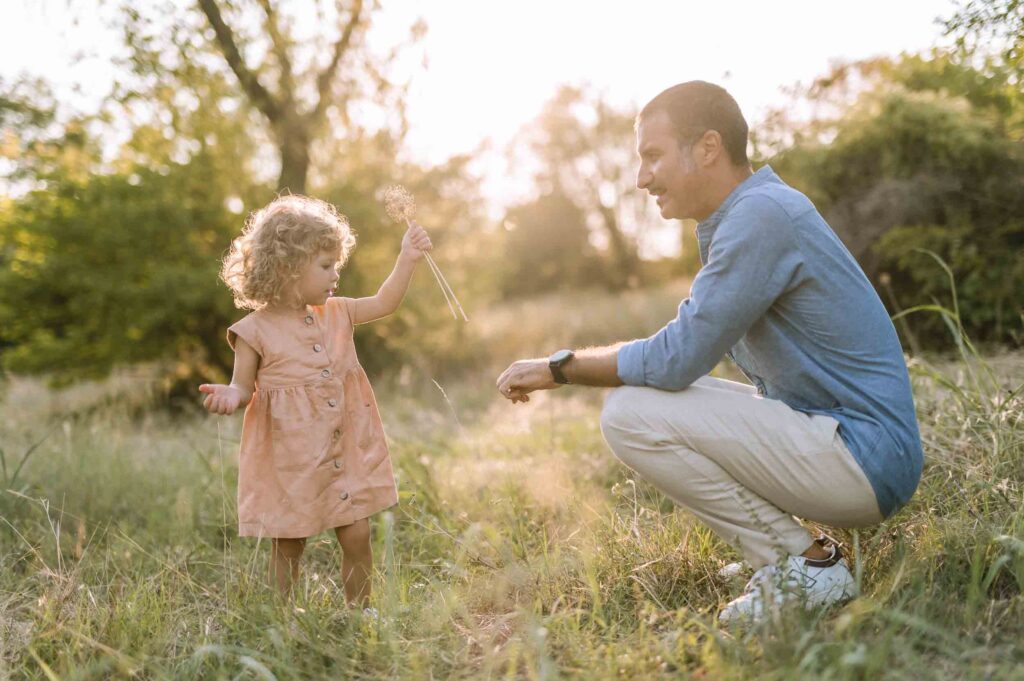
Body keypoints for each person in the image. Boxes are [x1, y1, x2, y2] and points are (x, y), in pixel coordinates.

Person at [495, 81, 923, 624]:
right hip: (844, 443)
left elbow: (677, 357)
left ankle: (805, 564)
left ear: (707, 148)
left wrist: (560, 368)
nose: (641, 177)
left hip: (864, 457)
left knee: (630, 413)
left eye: (652, 155)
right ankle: (786, 553)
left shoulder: (761, 216)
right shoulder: (751, 214)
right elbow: (686, 345)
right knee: (645, 401)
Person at [198, 194, 433, 609]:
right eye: (326, 266)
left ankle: (359, 613)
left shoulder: (337, 313)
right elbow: (242, 386)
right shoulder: (254, 332)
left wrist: (407, 259)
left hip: (343, 448)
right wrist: (230, 396)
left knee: (357, 533)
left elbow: (384, 302)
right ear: (288, 268)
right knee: (289, 545)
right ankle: (280, 618)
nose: (335, 276)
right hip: (291, 459)